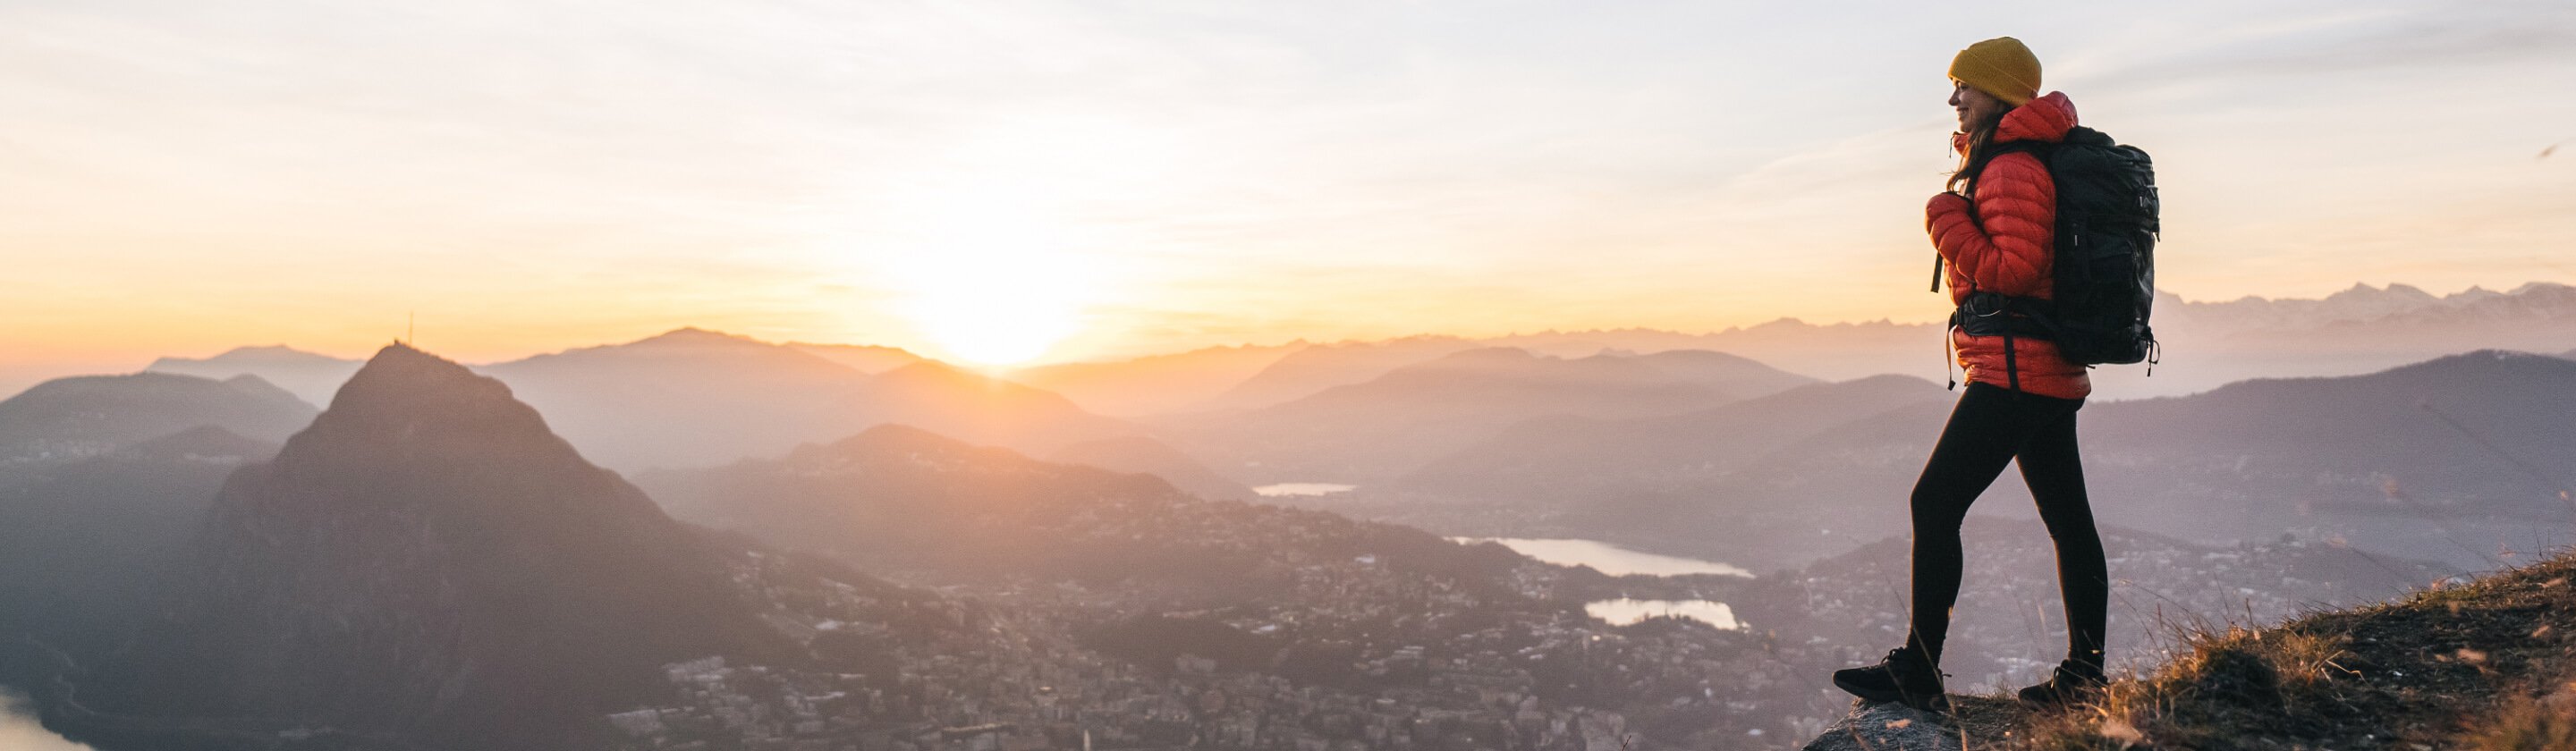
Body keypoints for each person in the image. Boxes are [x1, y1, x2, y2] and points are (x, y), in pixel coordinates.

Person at [1830, 36, 2110, 713]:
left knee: (1934, 502)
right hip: (2044, 367)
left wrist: (1945, 220)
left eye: (1966, 86)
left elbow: (2015, 271)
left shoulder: (2011, 167)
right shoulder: (2017, 157)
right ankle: (2083, 677)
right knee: (2069, 520)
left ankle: (1920, 672)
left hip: (2018, 370)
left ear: (2000, 93)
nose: (1954, 99)